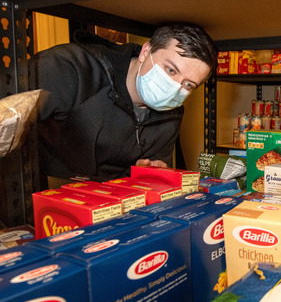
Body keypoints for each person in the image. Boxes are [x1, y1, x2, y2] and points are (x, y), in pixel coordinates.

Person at [32, 23, 217, 187]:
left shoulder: (171, 114)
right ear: (146, 52)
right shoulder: (68, 68)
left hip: (108, 210)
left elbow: (148, 174)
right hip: (41, 200)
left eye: (188, 84)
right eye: (171, 70)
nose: (175, 87)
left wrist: (145, 174)